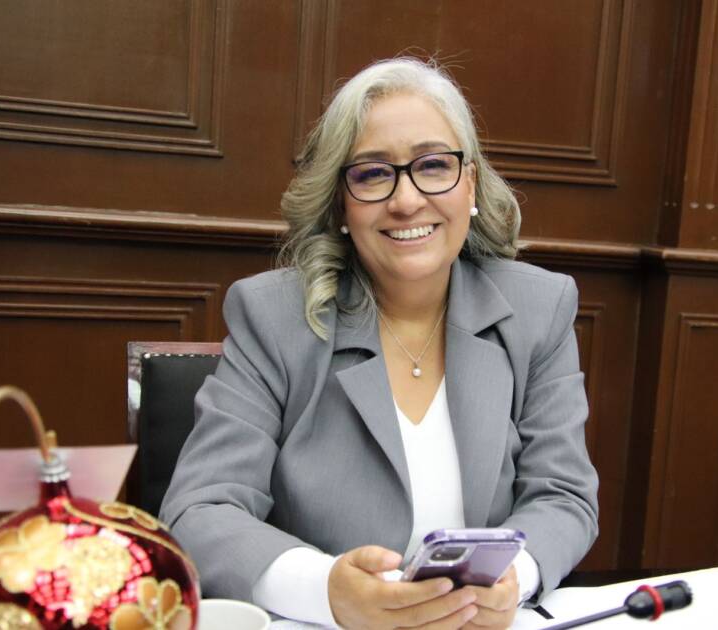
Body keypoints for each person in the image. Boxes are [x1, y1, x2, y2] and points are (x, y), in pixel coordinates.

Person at [160, 57, 599, 629]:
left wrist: (512, 580)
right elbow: (200, 510)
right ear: (341, 203)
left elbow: (564, 495)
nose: (406, 200)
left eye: (433, 165)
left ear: (470, 183)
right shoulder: (274, 317)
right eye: (372, 174)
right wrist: (327, 591)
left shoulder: (539, 308)